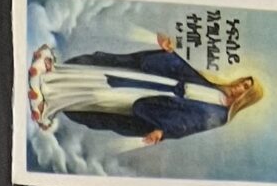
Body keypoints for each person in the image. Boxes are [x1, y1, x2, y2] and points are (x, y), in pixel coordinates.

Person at [29, 33, 264, 147]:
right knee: (103, 76)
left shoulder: (220, 115)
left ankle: (50, 101)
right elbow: (187, 73)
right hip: (152, 83)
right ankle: (53, 75)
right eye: (242, 82)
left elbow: (190, 124)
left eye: (245, 90)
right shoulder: (214, 84)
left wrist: (164, 132)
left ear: (247, 99)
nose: (239, 87)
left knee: (103, 98)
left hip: (156, 103)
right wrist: (170, 52)